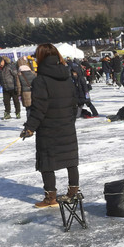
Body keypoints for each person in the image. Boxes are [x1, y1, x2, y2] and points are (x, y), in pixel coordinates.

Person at [20, 43, 80, 209]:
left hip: (48, 128)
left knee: (46, 161)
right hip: (67, 125)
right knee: (70, 159)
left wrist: (30, 127)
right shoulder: (66, 76)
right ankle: (73, 192)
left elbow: (39, 108)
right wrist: (70, 119)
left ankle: (50, 197)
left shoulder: (41, 80)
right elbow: (75, 103)